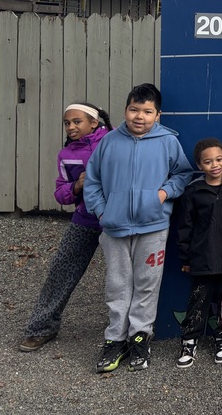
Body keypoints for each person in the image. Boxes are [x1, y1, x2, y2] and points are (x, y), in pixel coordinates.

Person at [83, 83, 195, 373]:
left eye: (147, 111)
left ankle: (140, 336)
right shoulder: (108, 142)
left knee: (147, 283)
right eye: (134, 109)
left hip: (153, 227)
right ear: (125, 110)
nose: (139, 117)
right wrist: (101, 212)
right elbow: (92, 181)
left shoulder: (168, 141)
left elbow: (182, 174)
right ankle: (114, 339)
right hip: (114, 227)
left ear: (158, 115)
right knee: (117, 284)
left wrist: (162, 195)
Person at [18, 103, 112, 352]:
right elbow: (61, 193)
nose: (71, 127)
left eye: (77, 121)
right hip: (86, 219)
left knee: (122, 278)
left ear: (94, 122)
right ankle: (41, 328)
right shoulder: (66, 154)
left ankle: (127, 332)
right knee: (61, 271)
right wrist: (76, 187)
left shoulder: (113, 142)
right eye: (67, 123)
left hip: (117, 221)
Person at [175, 137, 222, 368]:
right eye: (208, 161)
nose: (215, 165)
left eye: (219, 159)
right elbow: (185, 227)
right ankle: (189, 340)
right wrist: (185, 257)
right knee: (199, 300)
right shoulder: (193, 192)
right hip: (201, 257)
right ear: (199, 165)